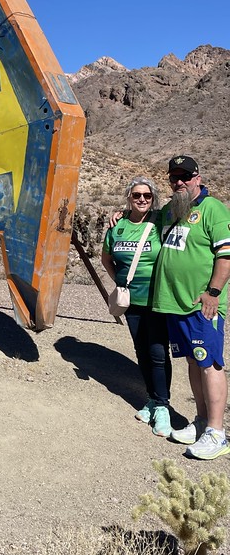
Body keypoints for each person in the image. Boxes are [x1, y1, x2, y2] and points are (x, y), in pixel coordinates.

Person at [152, 155, 230, 460]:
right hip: (175, 303)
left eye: (185, 176)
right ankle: (201, 422)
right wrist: (120, 214)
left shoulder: (213, 209)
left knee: (210, 364)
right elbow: (143, 218)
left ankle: (217, 432)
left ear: (198, 178)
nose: (179, 182)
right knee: (194, 361)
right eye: (174, 177)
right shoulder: (172, 210)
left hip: (202, 305)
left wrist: (213, 292)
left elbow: (226, 256)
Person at [102, 176, 172, 437]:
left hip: (157, 299)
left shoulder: (160, 221)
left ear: (153, 198)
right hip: (131, 301)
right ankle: (152, 400)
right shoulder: (118, 225)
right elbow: (106, 258)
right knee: (141, 351)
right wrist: (120, 283)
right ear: (129, 198)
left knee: (157, 352)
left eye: (147, 195)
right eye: (136, 195)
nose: (142, 199)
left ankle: (163, 406)